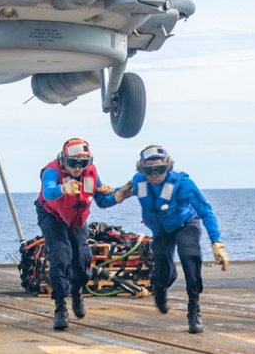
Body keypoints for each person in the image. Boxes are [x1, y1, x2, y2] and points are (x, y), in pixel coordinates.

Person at [129, 144, 228, 334]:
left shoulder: (182, 184)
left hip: (185, 224)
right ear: (142, 170)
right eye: (149, 170)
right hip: (162, 232)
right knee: (165, 272)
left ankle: (194, 309)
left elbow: (205, 210)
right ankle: (159, 286)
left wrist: (216, 243)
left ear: (169, 168)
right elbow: (116, 195)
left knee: (189, 254)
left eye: (160, 169)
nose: (155, 174)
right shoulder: (138, 182)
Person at [37, 138, 133, 330]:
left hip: (76, 218)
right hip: (52, 216)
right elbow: (47, 193)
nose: (79, 168)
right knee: (60, 255)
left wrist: (118, 196)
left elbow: (102, 200)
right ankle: (60, 306)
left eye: (84, 163)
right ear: (64, 160)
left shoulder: (90, 174)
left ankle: (77, 289)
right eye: (74, 163)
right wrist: (63, 189)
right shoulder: (52, 171)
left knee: (82, 261)